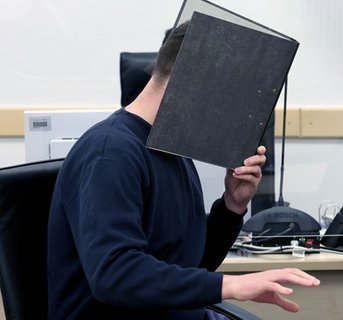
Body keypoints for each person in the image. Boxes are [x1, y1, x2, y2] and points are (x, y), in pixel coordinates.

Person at [47, 21, 319, 319]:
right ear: (192, 79)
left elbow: (189, 266)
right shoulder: (110, 154)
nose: (229, 114)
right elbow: (114, 275)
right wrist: (229, 285)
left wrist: (231, 207)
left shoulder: (172, 150)